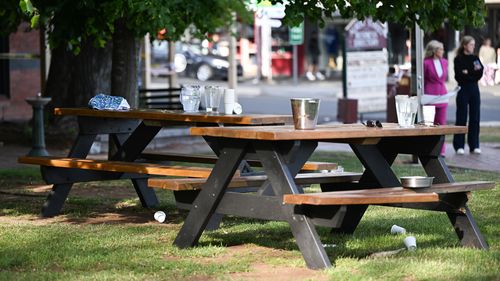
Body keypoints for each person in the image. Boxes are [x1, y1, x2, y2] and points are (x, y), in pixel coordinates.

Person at [453, 35, 484, 155]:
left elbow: (480, 72)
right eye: (471, 44)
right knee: (461, 117)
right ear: (465, 45)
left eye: (474, 45)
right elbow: (459, 75)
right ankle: (459, 145)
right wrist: (470, 74)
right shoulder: (459, 59)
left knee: (475, 117)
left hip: (474, 89)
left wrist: (468, 73)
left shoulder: (475, 58)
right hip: (463, 89)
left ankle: (474, 145)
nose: (473, 47)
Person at [423, 40, 448, 157]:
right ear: (434, 51)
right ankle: (428, 149)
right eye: (440, 49)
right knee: (429, 124)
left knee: (441, 124)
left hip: (442, 95)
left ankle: (441, 150)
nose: (443, 51)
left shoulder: (444, 62)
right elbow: (422, 80)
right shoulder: (426, 63)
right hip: (430, 96)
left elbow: (443, 78)